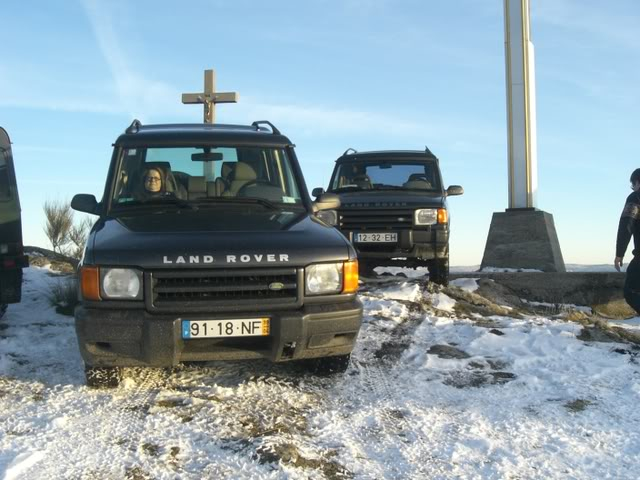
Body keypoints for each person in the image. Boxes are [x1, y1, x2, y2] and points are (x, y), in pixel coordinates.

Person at [615, 168, 640, 314]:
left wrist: (619, 254)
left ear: (637, 181)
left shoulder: (635, 198)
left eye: (633, 184)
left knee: (631, 291)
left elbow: (626, 226)